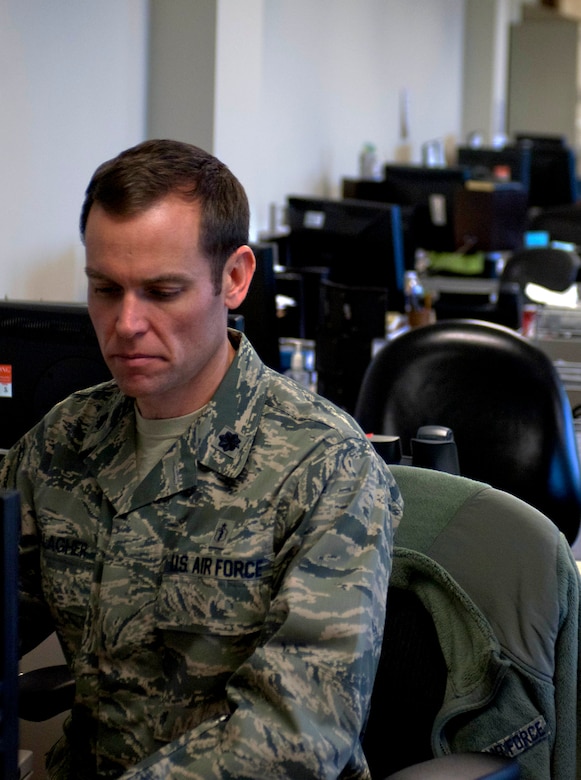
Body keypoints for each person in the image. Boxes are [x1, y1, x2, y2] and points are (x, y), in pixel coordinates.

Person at [2, 139, 402, 780]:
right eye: (106, 289)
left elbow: (297, 739)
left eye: (162, 291)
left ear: (235, 278)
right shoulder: (63, 442)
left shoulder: (325, 467)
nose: (126, 323)